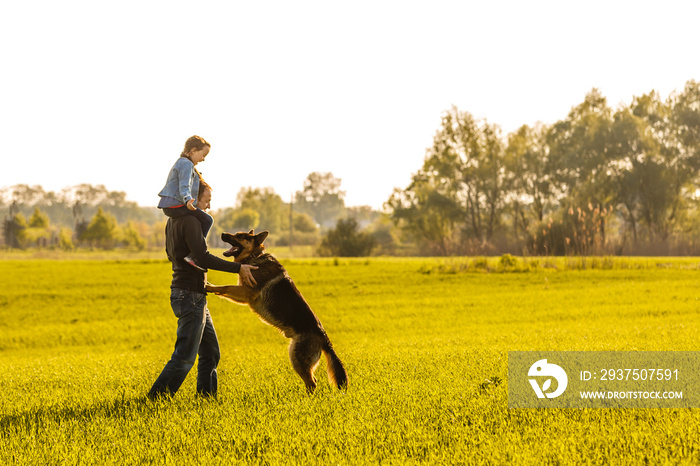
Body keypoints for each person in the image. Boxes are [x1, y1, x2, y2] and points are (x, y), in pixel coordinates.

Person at [148, 182, 258, 400]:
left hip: (191, 293)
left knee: (210, 352)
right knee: (185, 357)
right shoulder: (189, 221)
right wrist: (238, 267)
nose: (208, 207)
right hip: (190, 295)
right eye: (206, 201)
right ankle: (155, 400)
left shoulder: (173, 222)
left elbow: (174, 255)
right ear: (193, 199)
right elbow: (202, 257)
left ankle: (206, 400)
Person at [158, 135, 213, 271]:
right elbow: (184, 185)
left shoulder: (184, 163)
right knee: (207, 219)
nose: (203, 159)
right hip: (177, 204)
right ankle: (195, 254)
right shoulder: (186, 164)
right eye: (203, 154)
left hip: (172, 205)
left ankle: (192, 250)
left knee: (200, 219)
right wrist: (188, 200)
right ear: (193, 150)